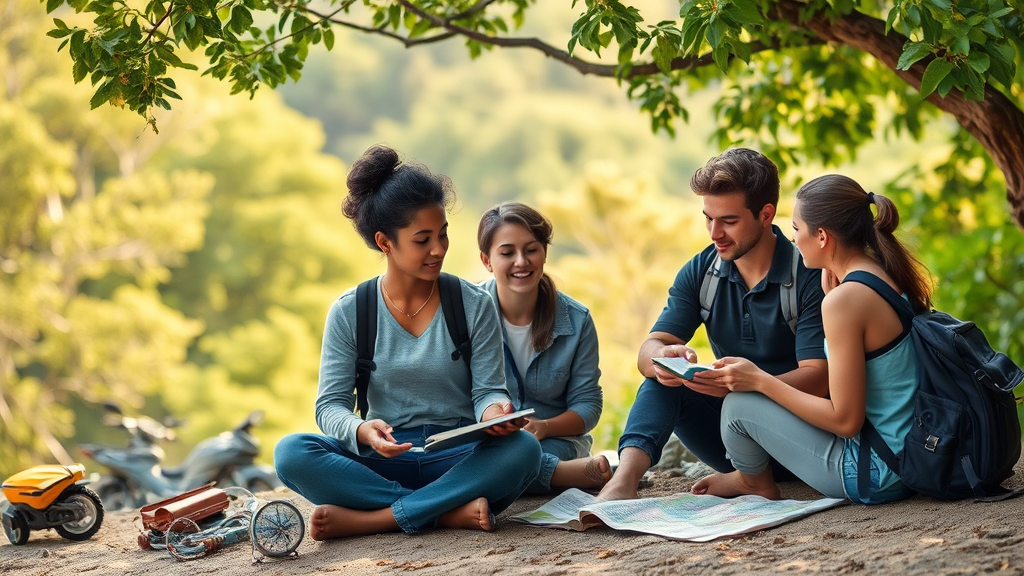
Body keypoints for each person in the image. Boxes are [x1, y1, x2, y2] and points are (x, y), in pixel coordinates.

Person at [274, 145, 541, 540]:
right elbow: (330, 406)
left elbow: (488, 391)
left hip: (456, 456)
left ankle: (375, 518)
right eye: (422, 239)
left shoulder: (474, 304)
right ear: (385, 242)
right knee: (291, 452)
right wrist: (364, 432)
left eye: (444, 234)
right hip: (384, 457)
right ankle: (444, 511)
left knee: (524, 450)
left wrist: (494, 413)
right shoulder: (351, 311)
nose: (438, 249)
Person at [598, 148, 829, 501]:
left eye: (729, 221)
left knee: (738, 403)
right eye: (708, 218)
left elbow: (820, 377)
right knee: (661, 380)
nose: (714, 232)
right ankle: (622, 483)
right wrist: (663, 357)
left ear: (766, 214)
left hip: (801, 443)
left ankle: (753, 477)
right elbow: (649, 348)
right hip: (734, 447)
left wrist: (748, 387)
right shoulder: (701, 272)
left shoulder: (809, 274)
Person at [691, 175, 930, 503]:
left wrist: (759, 380)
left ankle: (752, 481)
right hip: (910, 455)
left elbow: (845, 421)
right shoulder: (879, 273)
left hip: (877, 472)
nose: (792, 239)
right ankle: (750, 480)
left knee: (737, 405)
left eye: (796, 228)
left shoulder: (844, 301)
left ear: (821, 236)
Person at [477, 201, 610, 494]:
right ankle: (563, 476)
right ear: (487, 261)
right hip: (487, 442)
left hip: (554, 442)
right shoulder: (466, 314)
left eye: (531, 249)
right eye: (507, 252)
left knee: (520, 458)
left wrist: (545, 427)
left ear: (545, 253)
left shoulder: (577, 320)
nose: (521, 261)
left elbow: (588, 405)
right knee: (479, 459)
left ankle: (526, 474)